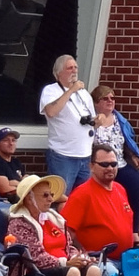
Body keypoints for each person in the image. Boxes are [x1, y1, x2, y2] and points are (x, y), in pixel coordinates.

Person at [7, 173, 105, 276]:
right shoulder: (19, 222)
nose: (51, 199)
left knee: (94, 271)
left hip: (63, 268)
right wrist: (65, 263)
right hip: (34, 274)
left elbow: (68, 247)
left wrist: (79, 257)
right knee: (73, 272)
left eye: (51, 194)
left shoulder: (54, 220)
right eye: (45, 195)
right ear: (29, 200)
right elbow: (34, 256)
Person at [62, 145, 138, 263]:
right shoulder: (82, 194)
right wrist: (82, 253)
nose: (110, 168)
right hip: (98, 262)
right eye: (104, 164)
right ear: (91, 166)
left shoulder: (120, 189)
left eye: (113, 164)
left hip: (127, 261)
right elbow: (66, 232)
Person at [88, 85, 139, 227]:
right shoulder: (91, 121)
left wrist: (132, 156)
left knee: (138, 187)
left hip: (120, 163)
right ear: (96, 103)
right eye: (105, 98)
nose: (110, 101)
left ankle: (133, 231)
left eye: (112, 98)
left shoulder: (120, 121)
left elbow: (125, 142)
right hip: (100, 165)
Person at [38, 54, 96, 190]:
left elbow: (92, 118)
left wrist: (99, 120)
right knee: (61, 197)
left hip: (85, 155)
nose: (74, 70)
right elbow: (51, 111)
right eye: (70, 68)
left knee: (83, 198)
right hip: (63, 156)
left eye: (76, 67)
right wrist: (71, 90)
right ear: (58, 73)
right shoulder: (50, 90)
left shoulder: (83, 93)